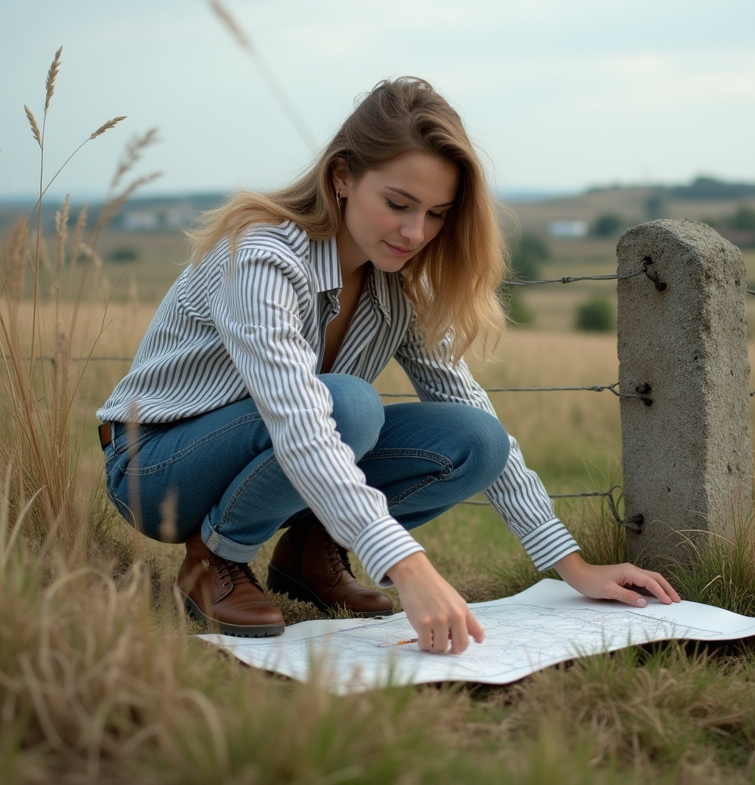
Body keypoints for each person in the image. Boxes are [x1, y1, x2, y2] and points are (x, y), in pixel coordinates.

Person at [97, 77, 679, 654]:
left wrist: (570, 565)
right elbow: (299, 420)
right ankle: (214, 559)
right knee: (348, 404)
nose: (414, 233)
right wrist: (406, 563)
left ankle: (309, 553)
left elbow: (472, 410)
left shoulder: (401, 285)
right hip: (158, 467)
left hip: (278, 452)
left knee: (477, 439)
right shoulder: (262, 258)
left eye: (436, 214)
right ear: (343, 176)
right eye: (398, 204)